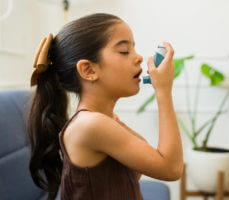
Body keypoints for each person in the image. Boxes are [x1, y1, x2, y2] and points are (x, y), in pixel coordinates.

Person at [26, 13, 183, 200]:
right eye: (125, 51)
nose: (139, 57)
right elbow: (171, 169)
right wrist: (163, 92)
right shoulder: (91, 125)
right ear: (88, 70)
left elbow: (138, 168)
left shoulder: (102, 120)